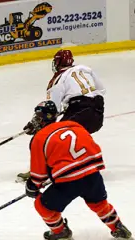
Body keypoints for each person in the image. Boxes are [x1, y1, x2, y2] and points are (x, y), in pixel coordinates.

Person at [25, 100, 131, 240]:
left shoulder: (39, 138)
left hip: (69, 182)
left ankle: (60, 231)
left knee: (43, 206)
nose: (36, 120)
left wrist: (33, 186)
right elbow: (91, 148)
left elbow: (39, 174)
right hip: (92, 174)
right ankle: (117, 226)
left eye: (38, 116)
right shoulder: (74, 125)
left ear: (45, 118)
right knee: (99, 204)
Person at [17, 49, 106, 182]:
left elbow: (51, 109)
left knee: (50, 138)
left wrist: (36, 123)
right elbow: (101, 90)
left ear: (57, 63)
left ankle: (44, 172)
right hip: (98, 113)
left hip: (79, 111)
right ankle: (78, 165)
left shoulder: (58, 79)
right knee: (70, 139)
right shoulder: (85, 69)